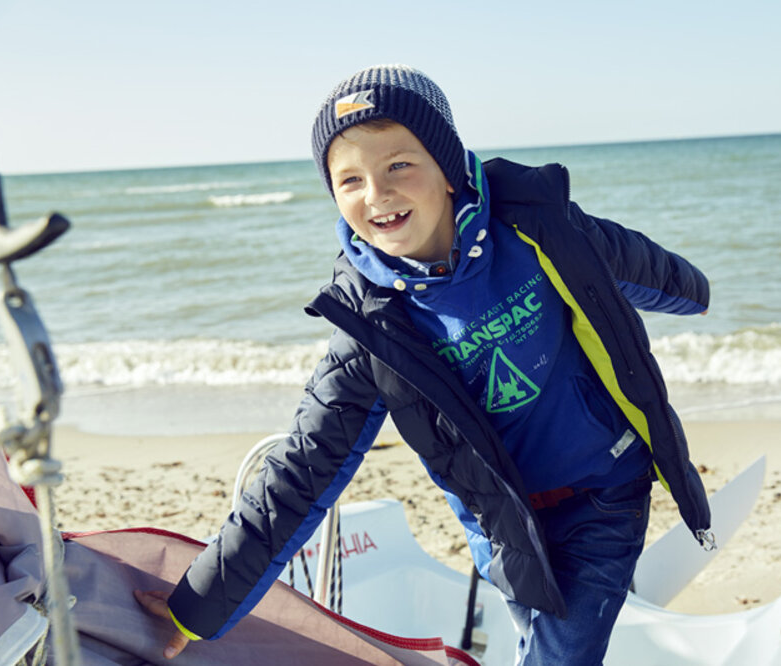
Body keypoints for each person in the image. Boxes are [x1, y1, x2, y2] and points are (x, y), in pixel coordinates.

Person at [136, 64, 714, 665]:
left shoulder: (540, 230)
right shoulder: (372, 325)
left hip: (604, 490)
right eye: (350, 179)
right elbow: (302, 470)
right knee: (537, 637)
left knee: (562, 654)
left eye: (398, 166)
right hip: (504, 531)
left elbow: (637, 264)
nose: (377, 194)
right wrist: (194, 611)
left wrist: (696, 294)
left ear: (449, 170)